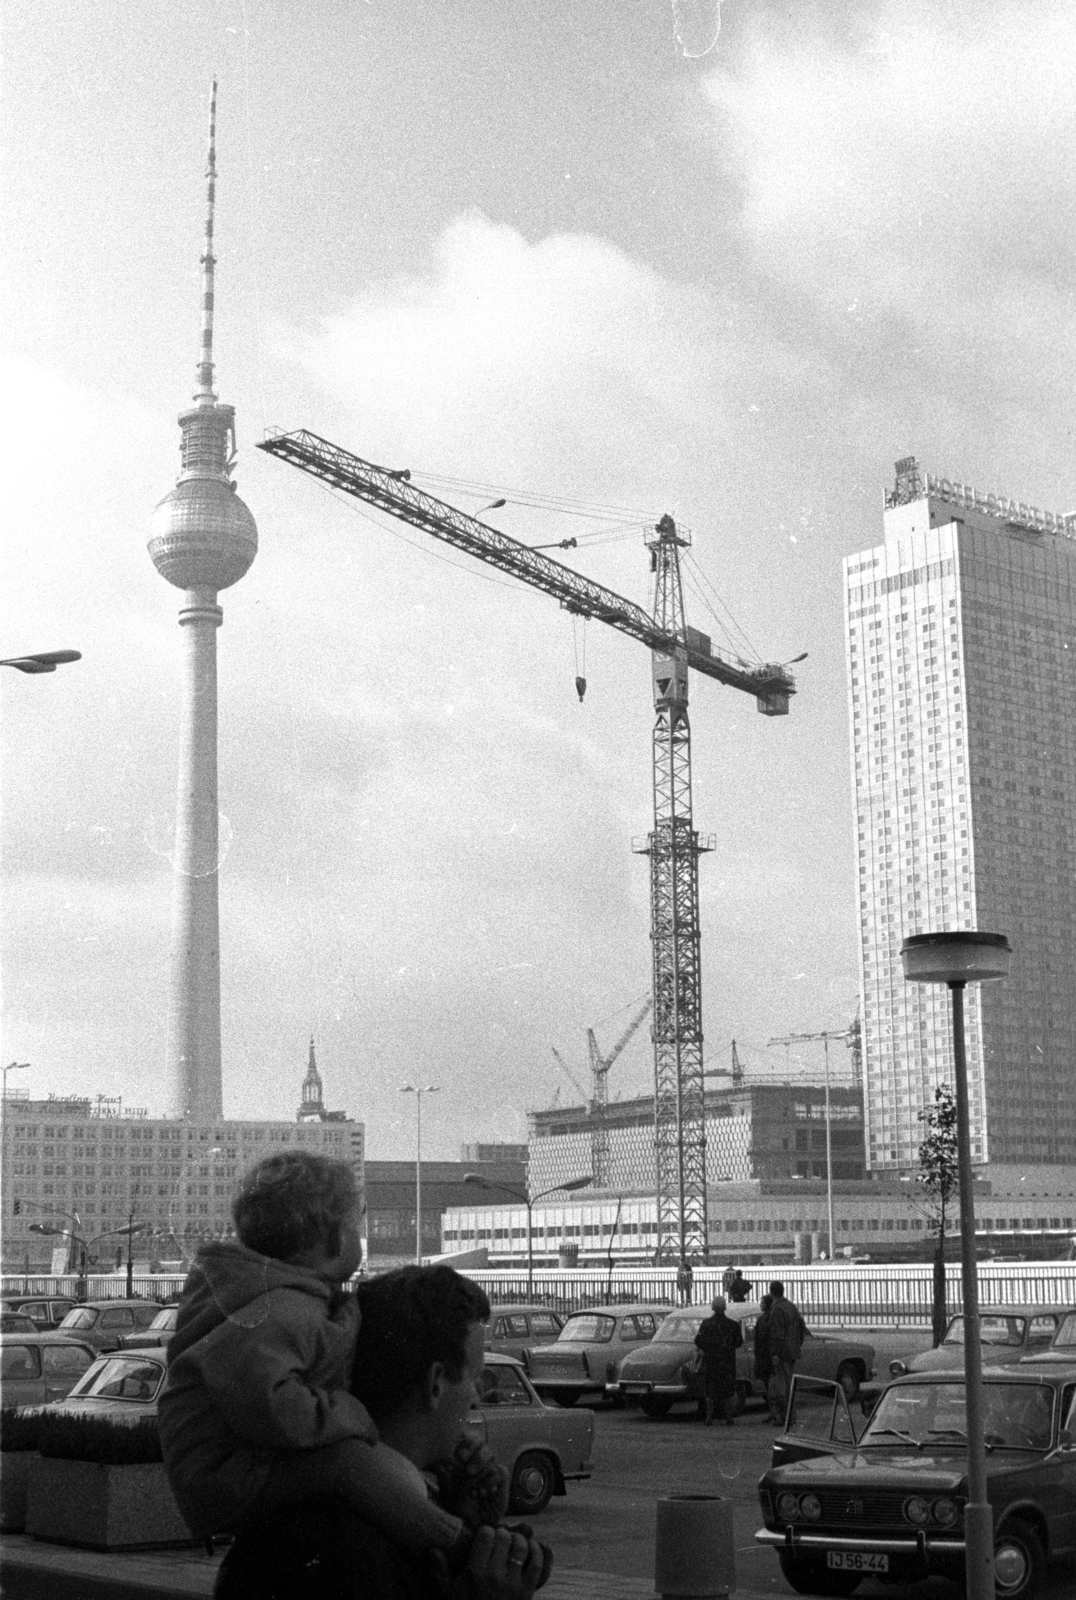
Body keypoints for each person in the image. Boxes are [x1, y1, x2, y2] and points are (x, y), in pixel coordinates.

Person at [159, 1151, 466, 1561]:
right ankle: (451, 1541)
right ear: (336, 1239)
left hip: (224, 1467)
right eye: (356, 1226)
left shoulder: (272, 1298)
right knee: (349, 1465)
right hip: (226, 1475)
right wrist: (350, 1415)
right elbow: (271, 1404)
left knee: (378, 1468)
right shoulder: (283, 1309)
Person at [215, 1264, 548, 1600]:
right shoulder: (347, 1552)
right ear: (435, 1385)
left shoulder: (308, 1504)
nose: (475, 1396)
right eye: (473, 1378)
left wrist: (465, 1522)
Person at [693, 1294, 743, 1427]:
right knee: (727, 1390)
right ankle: (728, 1417)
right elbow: (739, 1342)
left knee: (711, 1390)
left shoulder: (706, 1324)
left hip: (712, 1361)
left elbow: (698, 1341)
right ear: (725, 1307)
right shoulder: (732, 1325)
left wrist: (708, 1349)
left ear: (713, 1308)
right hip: (727, 1361)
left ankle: (709, 1418)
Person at [766, 1280, 807, 1426]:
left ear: (771, 1292)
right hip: (792, 1350)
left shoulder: (777, 1309)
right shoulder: (791, 1306)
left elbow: (777, 1334)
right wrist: (797, 1343)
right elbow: (802, 1326)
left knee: (781, 1386)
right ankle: (791, 1417)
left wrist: (775, 1353)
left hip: (782, 1352)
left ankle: (785, 1417)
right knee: (790, 1384)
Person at [753, 1293, 773, 1401]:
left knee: (770, 1384)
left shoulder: (767, 1318)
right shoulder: (762, 1318)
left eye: (762, 1303)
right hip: (764, 1355)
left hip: (766, 1355)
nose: (760, 1305)